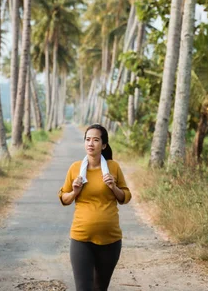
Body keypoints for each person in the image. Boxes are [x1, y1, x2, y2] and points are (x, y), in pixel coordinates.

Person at [58, 123, 132, 291]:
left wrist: (113, 187)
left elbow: (125, 197)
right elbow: (64, 198)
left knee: (100, 288)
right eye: (88, 139)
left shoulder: (113, 167)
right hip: (81, 238)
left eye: (96, 140)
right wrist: (75, 192)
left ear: (104, 145)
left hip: (110, 240)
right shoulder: (75, 168)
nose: (91, 143)